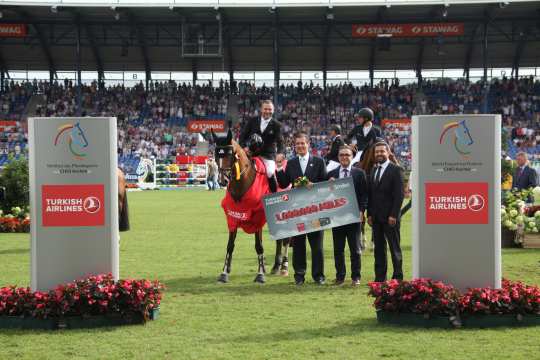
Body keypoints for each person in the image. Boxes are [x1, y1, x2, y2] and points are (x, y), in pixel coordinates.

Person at [276, 132, 328, 285]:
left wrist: (314, 185)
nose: (300, 146)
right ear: (295, 146)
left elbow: (325, 182)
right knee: (298, 245)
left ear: (308, 144)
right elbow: (285, 183)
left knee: (317, 246)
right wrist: (279, 169)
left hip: (316, 210)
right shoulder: (291, 163)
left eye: (302, 143)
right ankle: (299, 276)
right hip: (297, 211)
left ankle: (318, 276)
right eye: (297, 143)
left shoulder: (319, 161)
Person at [327, 145, 368, 286]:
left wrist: (362, 210)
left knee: (355, 249)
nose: (344, 157)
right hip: (337, 217)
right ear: (338, 157)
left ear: (352, 156)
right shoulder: (331, 174)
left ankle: (356, 277)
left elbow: (364, 195)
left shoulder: (359, 173)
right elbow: (326, 197)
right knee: (338, 249)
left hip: (353, 217)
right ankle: (340, 277)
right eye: (342, 155)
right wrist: (329, 186)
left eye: (347, 155)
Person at [367, 141, 405, 282]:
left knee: (394, 248)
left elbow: (399, 195)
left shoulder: (396, 170)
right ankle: (380, 278)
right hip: (376, 218)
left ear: (388, 152)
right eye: (377, 152)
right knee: (379, 250)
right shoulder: (374, 170)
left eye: (382, 151)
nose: (379, 154)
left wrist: (394, 215)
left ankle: (397, 277)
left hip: (391, 218)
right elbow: (371, 195)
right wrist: (369, 214)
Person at [239, 99, 284, 192]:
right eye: (265, 109)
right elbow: (243, 136)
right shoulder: (252, 121)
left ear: (273, 110)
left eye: (270, 109)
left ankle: (273, 196)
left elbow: (280, 142)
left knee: (270, 172)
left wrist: (280, 153)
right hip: (251, 153)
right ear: (261, 109)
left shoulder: (277, 125)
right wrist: (244, 147)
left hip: (268, 155)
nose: (267, 111)